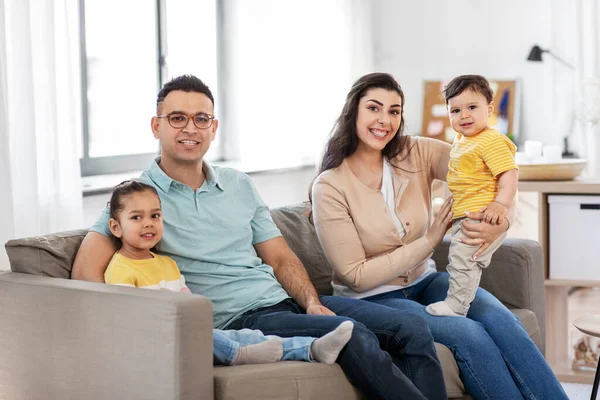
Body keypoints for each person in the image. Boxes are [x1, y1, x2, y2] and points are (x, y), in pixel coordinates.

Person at [72, 74, 447, 400]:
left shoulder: (238, 183)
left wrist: (312, 302)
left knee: (410, 327)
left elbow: (281, 258)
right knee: (354, 335)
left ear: (214, 128)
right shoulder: (139, 199)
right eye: (177, 118)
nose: (191, 128)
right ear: (156, 126)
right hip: (237, 320)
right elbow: (85, 276)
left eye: (201, 118)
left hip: (283, 304)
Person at [310, 72, 568, 399]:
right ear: (354, 112)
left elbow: (495, 176)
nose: (384, 120)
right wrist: (430, 240)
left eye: (394, 111)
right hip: (372, 297)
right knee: (468, 334)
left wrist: (499, 220)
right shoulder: (330, 186)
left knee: (503, 322)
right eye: (374, 108)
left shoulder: (416, 152)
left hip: (425, 282)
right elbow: (355, 275)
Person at [103, 179, 353, 366]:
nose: (148, 223)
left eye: (155, 215)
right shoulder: (121, 269)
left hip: (193, 331)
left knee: (246, 335)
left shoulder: (167, 264)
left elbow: (191, 305)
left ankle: (312, 349)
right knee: (204, 337)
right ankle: (237, 354)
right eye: (136, 217)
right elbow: (130, 322)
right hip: (156, 339)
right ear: (115, 227)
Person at [425, 75, 519, 318]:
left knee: (462, 258)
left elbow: (509, 175)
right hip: (467, 213)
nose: (463, 115)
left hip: (483, 214)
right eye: (455, 110)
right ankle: (459, 300)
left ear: (489, 109)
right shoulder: (461, 140)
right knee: (460, 258)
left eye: (472, 107)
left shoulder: (491, 141)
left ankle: (457, 306)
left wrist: (500, 204)